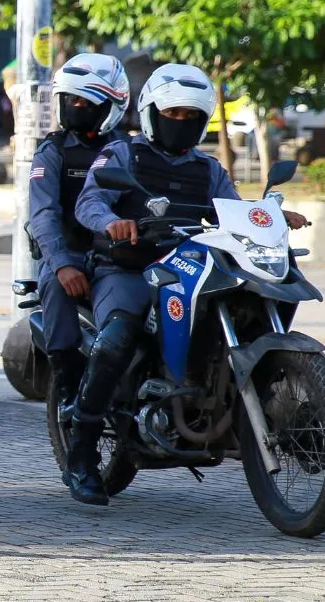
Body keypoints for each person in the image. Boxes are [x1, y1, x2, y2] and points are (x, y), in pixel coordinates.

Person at [70, 62, 310, 506]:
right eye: (172, 114)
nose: (180, 124)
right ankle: (82, 453)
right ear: (150, 113)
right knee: (117, 338)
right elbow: (90, 202)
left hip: (190, 267)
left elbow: (233, 213)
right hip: (127, 269)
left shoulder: (209, 168)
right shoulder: (123, 155)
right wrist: (114, 222)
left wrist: (272, 217)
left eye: (190, 118)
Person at [24, 53, 131, 413]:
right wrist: (61, 265)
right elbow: (42, 215)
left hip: (121, 256)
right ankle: (68, 387)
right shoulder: (53, 151)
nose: (75, 107)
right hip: (69, 254)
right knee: (55, 287)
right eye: (69, 99)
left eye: (85, 101)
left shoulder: (132, 150)